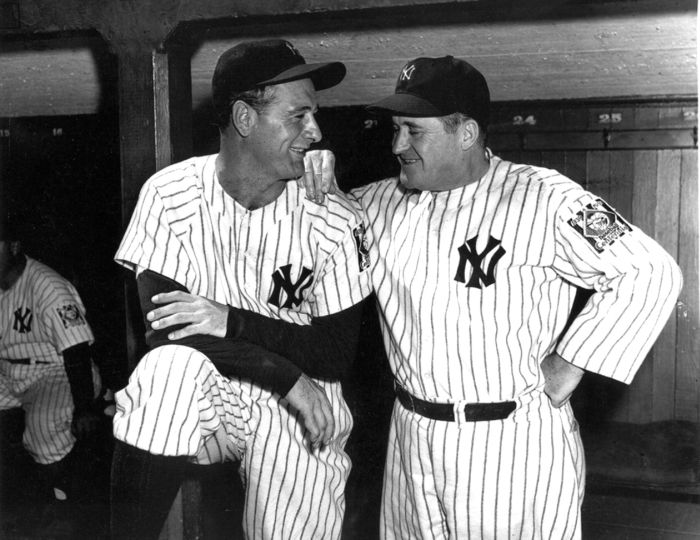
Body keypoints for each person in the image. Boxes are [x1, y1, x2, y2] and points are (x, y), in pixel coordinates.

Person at [292, 56, 682, 538]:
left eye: (414, 130)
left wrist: (568, 365)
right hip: (411, 437)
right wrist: (315, 181)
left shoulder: (546, 198)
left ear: (467, 133)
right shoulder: (378, 202)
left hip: (510, 444)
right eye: (395, 129)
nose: (397, 145)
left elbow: (649, 270)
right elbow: (317, 234)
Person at [109, 39, 373, 540]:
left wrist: (232, 321)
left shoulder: (334, 216)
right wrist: (280, 370)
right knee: (167, 370)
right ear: (245, 119)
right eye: (298, 116)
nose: (315, 133)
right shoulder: (171, 193)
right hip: (223, 390)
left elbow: (336, 354)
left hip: (303, 409)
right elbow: (166, 332)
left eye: (315, 116)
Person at [0, 215, 102, 525]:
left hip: (55, 369)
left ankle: (58, 502)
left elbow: (76, 350)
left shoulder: (48, 286)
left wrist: (84, 408)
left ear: (14, 247)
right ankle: (20, 497)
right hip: (8, 370)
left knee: (43, 428)